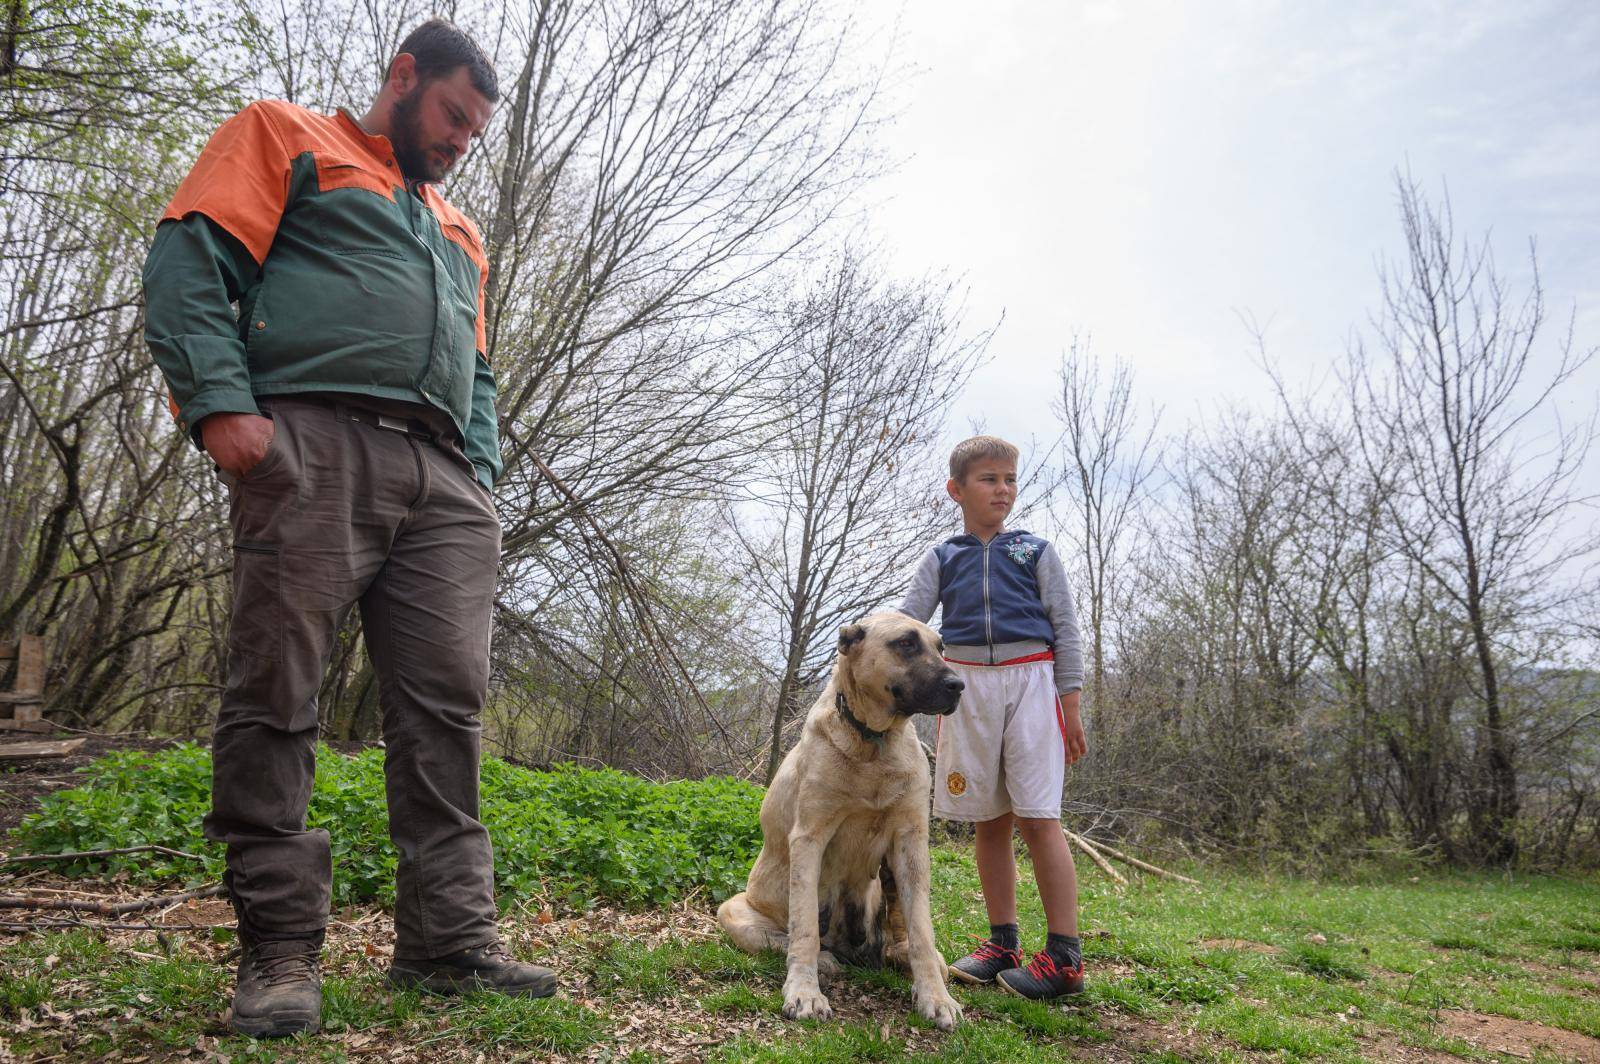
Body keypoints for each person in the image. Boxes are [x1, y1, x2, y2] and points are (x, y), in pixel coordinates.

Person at [142, 19, 555, 1038]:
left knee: (445, 709)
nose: (462, 139)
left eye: (475, 129)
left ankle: (448, 940)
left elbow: (484, 370)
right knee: (276, 686)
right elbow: (189, 260)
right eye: (453, 114)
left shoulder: (458, 229)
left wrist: (481, 473)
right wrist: (221, 402)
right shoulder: (283, 134)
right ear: (403, 77)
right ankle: (279, 948)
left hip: (443, 480)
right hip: (312, 442)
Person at [897, 435, 1089, 1000]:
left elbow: (1067, 630)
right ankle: (1001, 944)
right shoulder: (943, 557)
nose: (1002, 489)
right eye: (988, 479)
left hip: (1032, 684)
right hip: (966, 688)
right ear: (957, 489)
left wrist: (1070, 704)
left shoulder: (1035, 552)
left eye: (1009, 479)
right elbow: (907, 622)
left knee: (1038, 817)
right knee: (988, 820)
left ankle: (1064, 958)